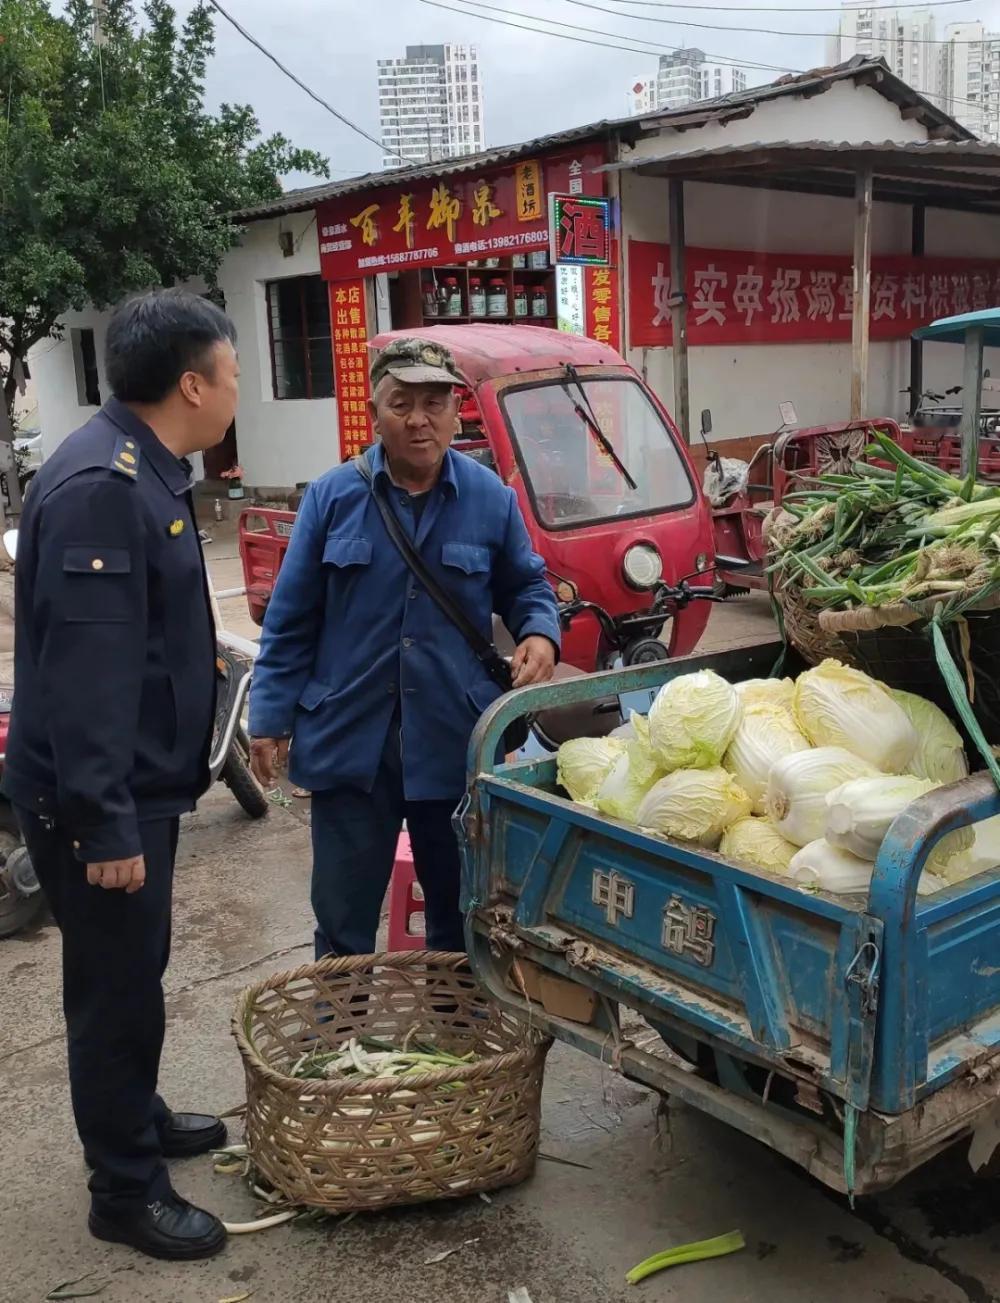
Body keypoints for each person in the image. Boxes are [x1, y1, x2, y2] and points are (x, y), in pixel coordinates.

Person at [3, 290, 239, 1261]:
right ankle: (124, 1186)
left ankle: (136, 1112)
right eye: (230, 374)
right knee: (113, 990)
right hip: (102, 797)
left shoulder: (144, 469)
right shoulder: (105, 483)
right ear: (191, 383)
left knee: (133, 971)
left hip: (136, 785)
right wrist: (105, 826)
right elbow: (90, 678)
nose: (236, 393)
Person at [249, 337, 560, 957]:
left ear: (456, 413)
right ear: (375, 411)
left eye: (434, 403)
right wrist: (269, 717)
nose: (419, 419)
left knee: (460, 917)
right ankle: (338, 1045)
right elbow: (290, 620)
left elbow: (528, 585)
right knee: (342, 922)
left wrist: (539, 632)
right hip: (348, 739)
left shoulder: (490, 499)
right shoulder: (332, 497)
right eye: (402, 403)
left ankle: (457, 1041)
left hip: (453, 739)